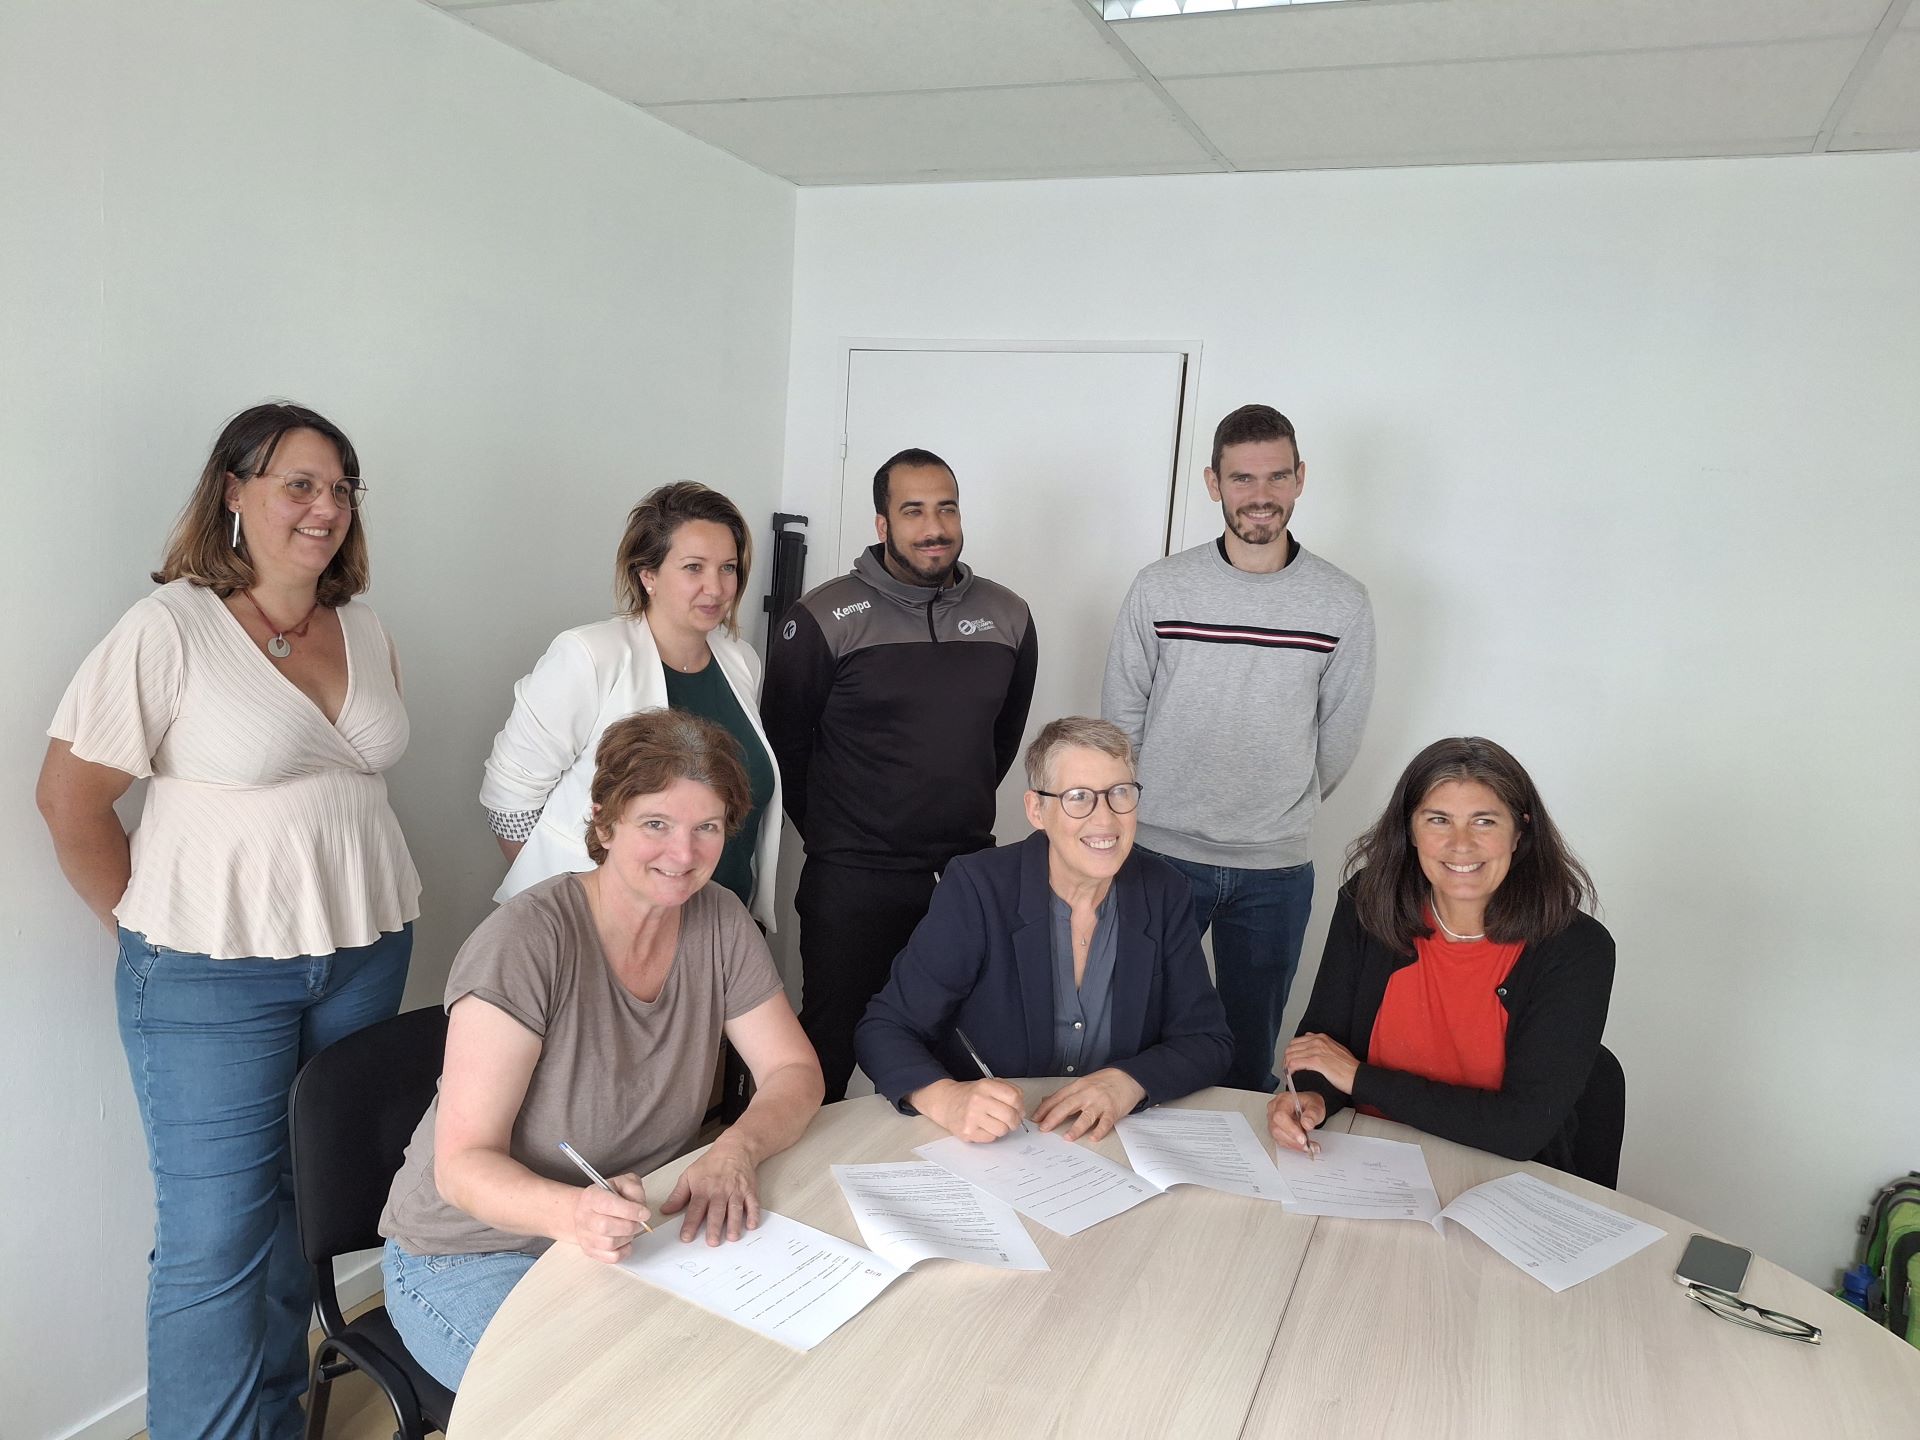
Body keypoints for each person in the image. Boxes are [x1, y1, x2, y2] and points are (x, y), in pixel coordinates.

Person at [35, 403, 418, 1440]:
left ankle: (277, 1421)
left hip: (363, 949)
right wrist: (147, 934)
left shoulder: (364, 627)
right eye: (299, 483)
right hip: (208, 972)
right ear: (234, 492)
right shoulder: (169, 629)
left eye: (341, 488)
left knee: (308, 1208)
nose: (325, 507)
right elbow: (69, 801)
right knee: (214, 1240)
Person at [381, 709, 823, 1392]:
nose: (683, 854)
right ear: (605, 821)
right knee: (599, 1406)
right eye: (657, 824)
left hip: (625, 1235)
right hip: (468, 1254)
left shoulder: (720, 920)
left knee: (741, 1379)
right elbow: (462, 1168)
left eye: (707, 827)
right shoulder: (526, 942)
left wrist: (737, 1148)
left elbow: (793, 1071)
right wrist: (573, 1214)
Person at [1102, 403, 1374, 1093]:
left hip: (1273, 871)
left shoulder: (1341, 602)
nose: (1261, 494)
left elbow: (1339, 735)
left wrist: (1278, 805)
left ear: (1300, 478)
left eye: (1277, 476)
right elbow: (1122, 715)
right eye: (1243, 478)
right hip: (1159, 856)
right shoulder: (1161, 587)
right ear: (1213, 483)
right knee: (1134, 1042)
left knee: (1248, 1062)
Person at [762, 448, 1038, 1101]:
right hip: (853, 879)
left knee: (963, 1051)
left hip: (964, 875)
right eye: (913, 511)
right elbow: (784, 746)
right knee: (829, 1049)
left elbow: (999, 740)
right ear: (883, 524)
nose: (934, 527)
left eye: (946, 508)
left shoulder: (1008, 616)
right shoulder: (823, 617)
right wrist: (841, 834)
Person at [856, 717, 1231, 1142]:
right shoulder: (978, 887)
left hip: (1110, 1141)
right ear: (1037, 810)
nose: (1105, 819)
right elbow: (885, 1028)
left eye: (1120, 793)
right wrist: (947, 1099)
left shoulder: (1164, 891)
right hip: (991, 1144)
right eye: (1078, 798)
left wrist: (1128, 1082)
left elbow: (1207, 1040)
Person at [1268, 737, 1614, 1171]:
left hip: (1501, 1175)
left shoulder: (1577, 949)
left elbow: (1519, 1129)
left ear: (1520, 832)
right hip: (1365, 1160)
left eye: (1484, 821)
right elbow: (1322, 1044)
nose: (1460, 844)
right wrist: (1312, 1097)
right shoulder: (1369, 904)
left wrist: (1358, 1078)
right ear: (1410, 830)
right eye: (1438, 820)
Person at [481, 481, 780, 926]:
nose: (716, 588)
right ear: (648, 575)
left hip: (722, 918)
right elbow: (508, 800)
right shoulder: (589, 656)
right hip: (607, 924)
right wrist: (569, 907)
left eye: (728, 568)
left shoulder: (742, 661)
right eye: (693, 567)